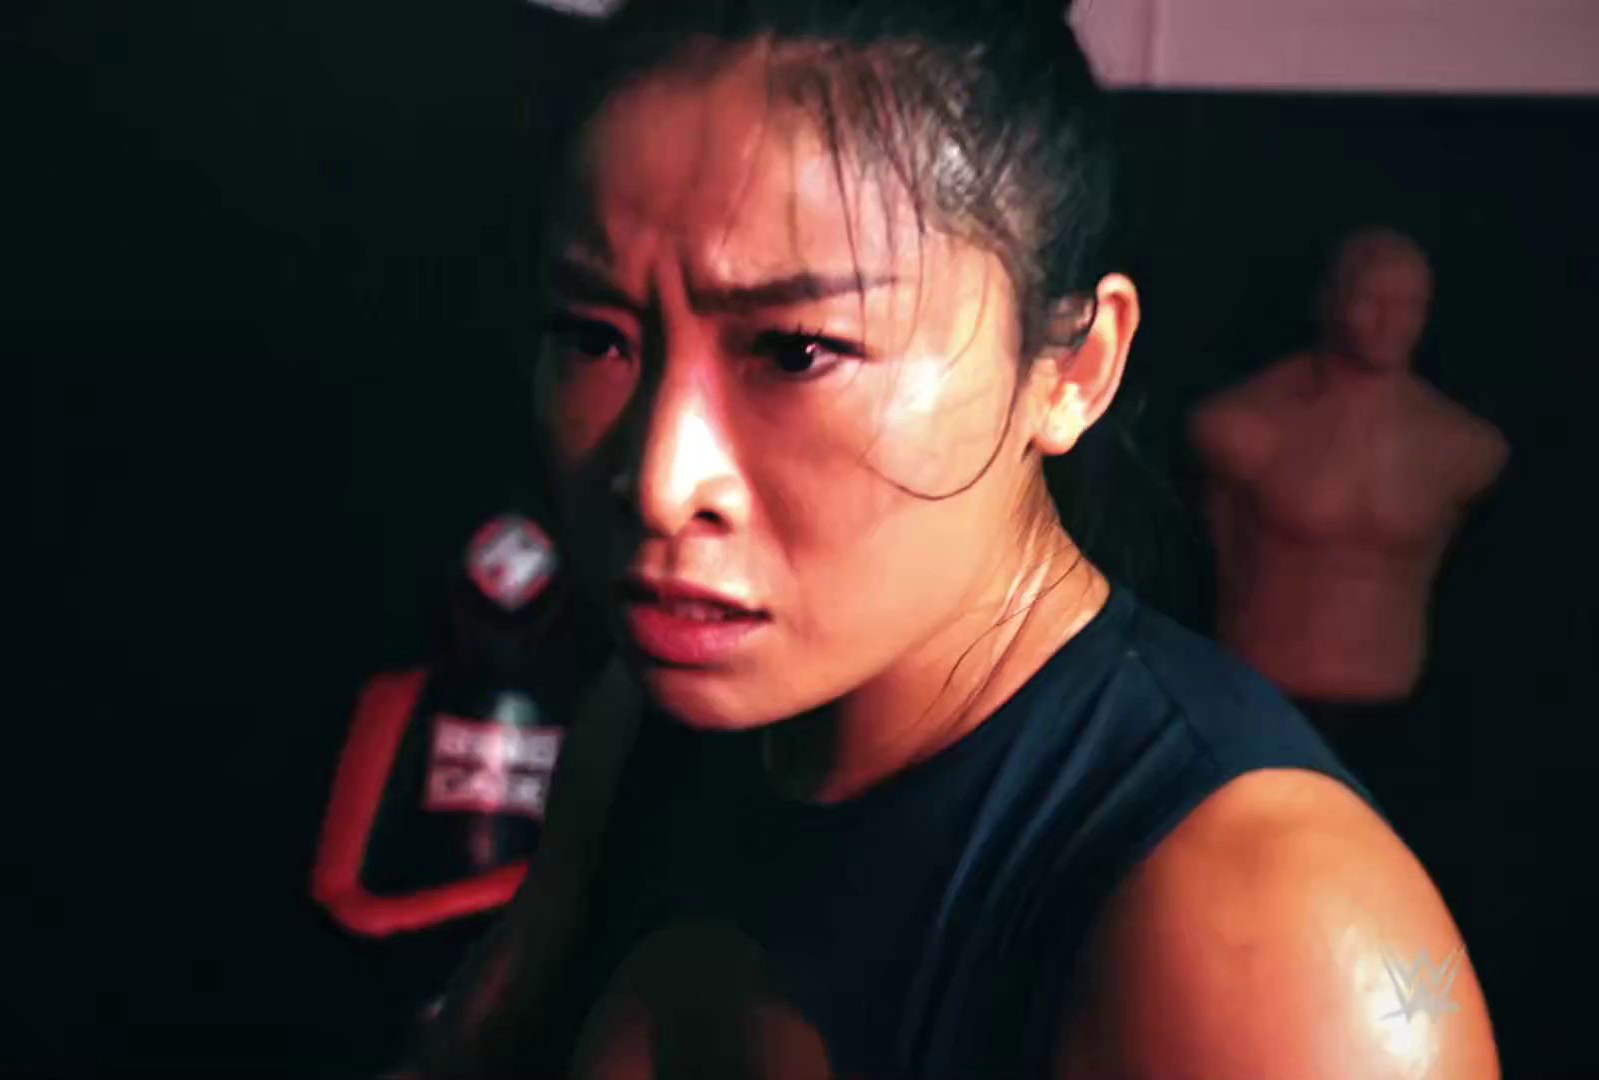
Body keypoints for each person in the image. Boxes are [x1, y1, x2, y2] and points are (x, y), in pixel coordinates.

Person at [410, 1, 1499, 1075]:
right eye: (594, 337)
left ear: (1071, 370)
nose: (658, 484)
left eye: (796, 351)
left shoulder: (1281, 948)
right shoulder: (642, 731)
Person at [1189, 228, 1508, 750]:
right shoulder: (1246, 427)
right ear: (1329, 301)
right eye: (1371, 300)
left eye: (1409, 305)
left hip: (1399, 718)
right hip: (1265, 703)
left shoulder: (1464, 446)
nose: (1390, 321)